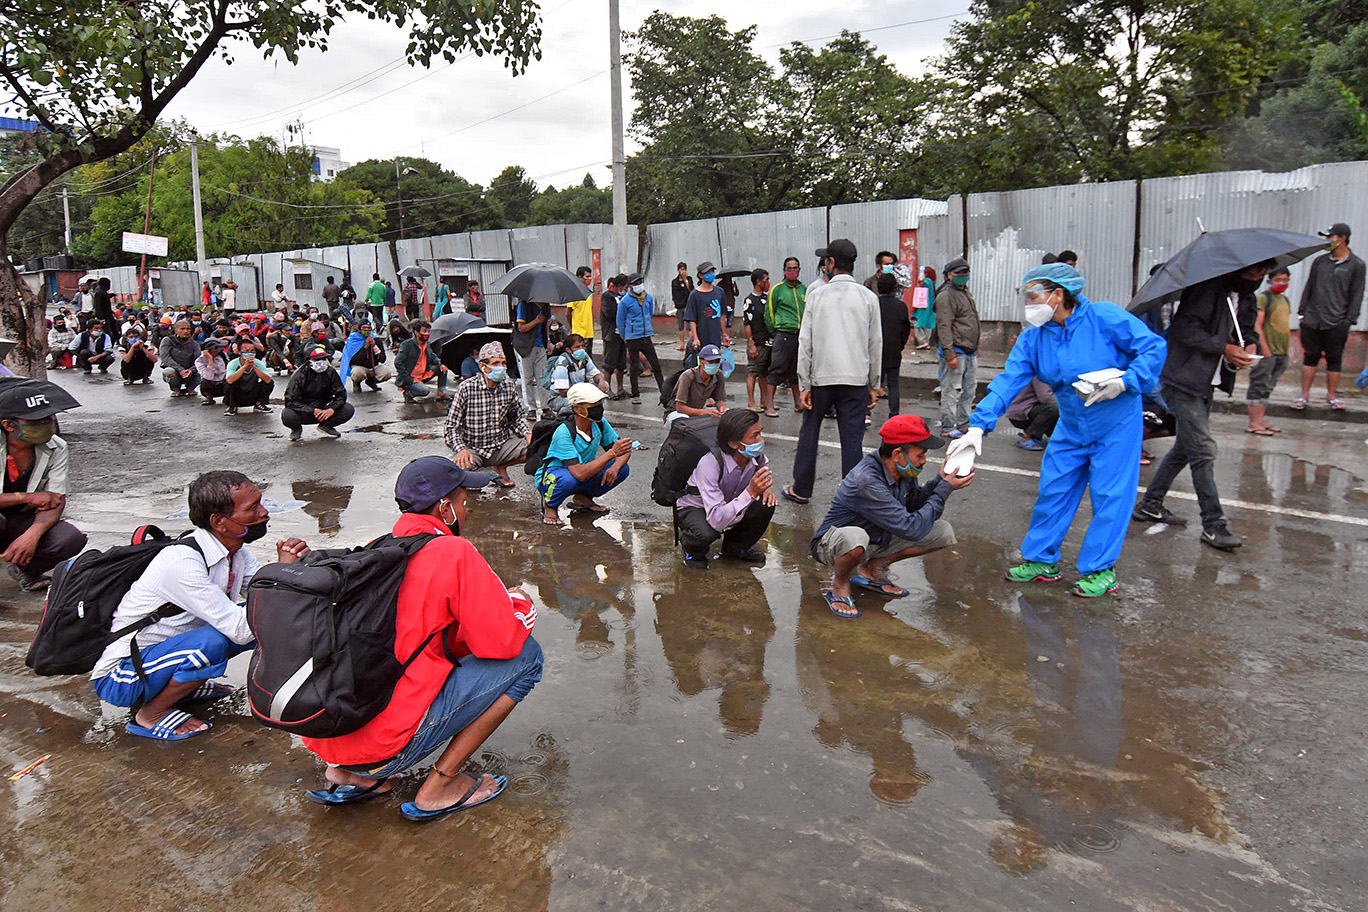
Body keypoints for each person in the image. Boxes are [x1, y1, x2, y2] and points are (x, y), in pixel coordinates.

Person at [299, 456, 541, 820]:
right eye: (463, 502)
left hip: (328, 737)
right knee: (527, 656)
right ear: (445, 508)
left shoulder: (375, 548)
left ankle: (348, 772)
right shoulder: (453, 552)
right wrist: (519, 602)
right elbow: (502, 642)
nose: (467, 509)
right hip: (385, 749)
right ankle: (441, 785)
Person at [947, 263, 1165, 596]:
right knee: (1053, 490)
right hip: (1072, 424)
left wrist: (1125, 381)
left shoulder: (1104, 318)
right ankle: (1041, 561)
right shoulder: (1034, 338)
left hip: (1116, 423)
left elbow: (1153, 348)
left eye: (1034, 296)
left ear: (1058, 294)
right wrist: (977, 426)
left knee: (1109, 497)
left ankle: (1100, 569)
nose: (1028, 304)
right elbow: (1009, 381)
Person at [90, 471, 310, 741]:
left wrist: (288, 572)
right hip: (122, 676)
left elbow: (267, 594)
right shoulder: (182, 562)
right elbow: (243, 628)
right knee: (217, 639)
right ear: (219, 521)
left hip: (163, 656)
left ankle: (186, 686)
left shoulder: (236, 552)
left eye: (260, 503)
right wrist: (283, 573)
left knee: (271, 618)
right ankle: (150, 715)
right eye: (252, 507)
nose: (264, 513)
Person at [1132, 261, 1268, 551]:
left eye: (1261, 275)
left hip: (1208, 382)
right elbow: (1185, 330)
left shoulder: (1246, 296)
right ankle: (1213, 525)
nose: (1256, 279)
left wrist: (1250, 345)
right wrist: (1225, 347)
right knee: (1203, 450)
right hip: (1181, 379)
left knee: (1185, 447)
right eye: (1252, 273)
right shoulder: (1206, 289)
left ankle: (1150, 504)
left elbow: (1247, 329)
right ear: (1236, 270)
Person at [812, 414, 971, 618]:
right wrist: (945, 489)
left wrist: (940, 481)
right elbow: (911, 528)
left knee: (943, 531)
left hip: (876, 538)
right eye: (920, 455)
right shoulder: (866, 481)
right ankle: (840, 584)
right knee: (855, 537)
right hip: (834, 545)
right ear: (898, 454)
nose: (924, 461)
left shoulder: (902, 471)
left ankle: (872, 568)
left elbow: (914, 503)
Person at [783, 239, 882, 505]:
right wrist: (874, 383)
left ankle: (801, 489)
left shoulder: (816, 295)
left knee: (810, 432)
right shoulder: (868, 297)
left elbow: (806, 343)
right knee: (852, 439)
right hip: (855, 379)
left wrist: (804, 384)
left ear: (831, 263)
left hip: (820, 380)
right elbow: (875, 344)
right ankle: (852, 496)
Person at [0, 382, 86, 591]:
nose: (48, 424)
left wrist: (32, 535)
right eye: (37, 421)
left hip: (22, 518)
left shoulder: (57, 446)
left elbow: (56, 499)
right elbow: (39, 498)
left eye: (49, 418)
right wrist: (27, 497)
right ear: (9, 426)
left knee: (69, 539)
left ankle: (25, 571)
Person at [675, 409, 777, 570]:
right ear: (733, 444)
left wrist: (766, 488)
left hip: (728, 500)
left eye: (760, 433)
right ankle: (692, 549)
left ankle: (735, 548)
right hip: (698, 507)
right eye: (754, 436)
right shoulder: (710, 464)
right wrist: (751, 493)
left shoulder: (755, 456)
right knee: (705, 532)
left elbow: (763, 467)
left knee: (766, 504)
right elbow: (716, 519)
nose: (761, 440)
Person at [536, 383, 632, 525]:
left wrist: (615, 467)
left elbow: (623, 450)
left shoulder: (598, 423)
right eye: (593, 404)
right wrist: (612, 453)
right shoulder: (564, 432)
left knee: (623, 468)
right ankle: (550, 506)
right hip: (557, 475)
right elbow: (578, 473)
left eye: (599, 403)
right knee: (568, 480)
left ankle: (583, 497)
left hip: (582, 472)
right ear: (577, 408)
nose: (599, 407)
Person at [1295, 222, 1364, 411]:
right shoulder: (1320, 262)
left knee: (1334, 358)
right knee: (1310, 356)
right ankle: (1303, 395)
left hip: (1337, 321)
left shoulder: (1356, 265)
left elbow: (1356, 294)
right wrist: (1302, 313)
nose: (1327, 241)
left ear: (1341, 238)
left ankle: (1331, 396)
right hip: (1312, 319)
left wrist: (1347, 321)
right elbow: (1309, 287)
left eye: (1330, 237)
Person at [444, 342, 530, 488]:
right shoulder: (466, 388)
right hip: (473, 449)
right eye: (495, 363)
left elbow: (516, 418)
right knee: (455, 476)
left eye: (503, 363)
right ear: (483, 366)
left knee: (539, 447)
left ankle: (501, 467)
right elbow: (451, 427)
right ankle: (475, 475)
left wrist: (527, 434)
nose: (501, 367)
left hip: (501, 447)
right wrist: (461, 449)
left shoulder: (508, 386)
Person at [936, 257, 980, 438]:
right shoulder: (946, 295)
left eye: (965, 273)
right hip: (956, 350)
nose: (963, 276)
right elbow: (944, 326)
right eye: (958, 273)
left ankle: (963, 423)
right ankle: (948, 425)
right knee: (951, 390)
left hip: (969, 350)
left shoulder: (964, 292)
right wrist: (949, 353)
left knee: (969, 390)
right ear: (948, 275)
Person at [1247, 268, 1293, 434]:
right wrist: (1265, 350)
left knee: (1268, 388)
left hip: (1281, 353)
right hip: (1268, 353)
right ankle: (1254, 423)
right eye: (1278, 280)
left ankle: (1261, 421)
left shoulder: (1284, 300)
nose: (1281, 283)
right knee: (1258, 386)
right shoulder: (1263, 298)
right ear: (1269, 280)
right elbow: (1257, 325)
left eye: (1284, 280)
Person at [281, 345, 354, 440]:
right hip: (303, 411)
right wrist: (312, 410)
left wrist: (331, 409)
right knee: (287, 414)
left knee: (348, 409)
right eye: (317, 359)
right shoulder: (299, 374)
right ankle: (296, 429)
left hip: (324, 410)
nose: (321, 362)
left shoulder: (330, 372)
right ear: (309, 360)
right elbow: (289, 401)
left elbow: (341, 395)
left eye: (323, 358)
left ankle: (327, 426)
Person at [765, 256, 806, 415]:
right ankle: (769, 404)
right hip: (783, 334)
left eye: (795, 268)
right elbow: (769, 313)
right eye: (789, 268)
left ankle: (798, 403)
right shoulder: (778, 289)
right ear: (784, 271)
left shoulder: (803, 289)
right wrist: (775, 331)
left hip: (799, 335)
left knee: (796, 371)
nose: (792, 271)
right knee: (776, 369)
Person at [617, 273, 664, 405]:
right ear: (630, 286)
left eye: (640, 283)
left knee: (656, 365)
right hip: (632, 337)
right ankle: (635, 394)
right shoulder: (625, 301)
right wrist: (625, 336)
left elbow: (649, 313)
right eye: (635, 284)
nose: (638, 286)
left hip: (646, 335)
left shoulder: (648, 298)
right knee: (634, 366)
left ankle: (664, 393)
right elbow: (620, 321)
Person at [876, 272, 912, 417]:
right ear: (894, 288)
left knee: (871, 382)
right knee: (893, 384)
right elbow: (905, 329)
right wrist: (900, 345)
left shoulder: (873, 304)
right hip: (893, 350)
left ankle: (866, 412)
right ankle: (894, 413)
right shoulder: (900, 306)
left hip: (876, 350)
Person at [546, 334, 609, 416]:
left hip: (579, 392)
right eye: (577, 347)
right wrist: (584, 395)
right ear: (568, 350)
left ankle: (593, 414)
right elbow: (563, 392)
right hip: (561, 398)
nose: (581, 349)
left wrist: (601, 380)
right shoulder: (562, 363)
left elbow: (595, 374)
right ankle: (564, 418)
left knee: (604, 386)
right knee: (573, 405)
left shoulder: (584, 357)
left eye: (582, 346)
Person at [666, 344, 727, 425]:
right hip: (676, 413)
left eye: (717, 361)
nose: (714, 364)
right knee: (685, 423)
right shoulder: (688, 376)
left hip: (697, 412)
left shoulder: (718, 375)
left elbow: (720, 399)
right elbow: (679, 407)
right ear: (701, 361)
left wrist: (722, 408)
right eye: (711, 362)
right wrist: (703, 412)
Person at [683, 261, 729, 366]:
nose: (711, 274)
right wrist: (695, 338)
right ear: (701, 275)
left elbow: (722, 316)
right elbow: (692, 319)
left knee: (715, 365)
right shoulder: (694, 295)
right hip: (701, 337)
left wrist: (724, 334)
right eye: (707, 272)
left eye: (712, 271)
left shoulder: (719, 292)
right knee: (701, 367)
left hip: (715, 337)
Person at [742, 268, 772, 413]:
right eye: (765, 280)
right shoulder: (749, 300)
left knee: (764, 373)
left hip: (768, 341)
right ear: (758, 282)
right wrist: (751, 343)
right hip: (757, 342)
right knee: (753, 372)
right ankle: (751, 401)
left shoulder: (767, 298)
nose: (767, 283)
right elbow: (747, 323)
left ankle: (765, 401)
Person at [395, 319, 447, 402]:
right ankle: (409, 393)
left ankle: (441, 393)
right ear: (416, 333)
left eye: (428, 331)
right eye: (424, 331)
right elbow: (398, 363)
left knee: (442, 368)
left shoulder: (427, 344)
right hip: (410, 378)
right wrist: (410, 379)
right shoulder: (407, 345)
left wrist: (440, 364)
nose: (427, 334)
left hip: (423, 374)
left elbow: (433, 356)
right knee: (424, 391)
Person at [513, 299, 550, 417]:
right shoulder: (523, 305)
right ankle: (531, 408)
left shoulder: (545, 305)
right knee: (528, 379)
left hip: (540, 345)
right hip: (526, 346)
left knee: (543, 378)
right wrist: (536, 321)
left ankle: (545, 407)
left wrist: (548, 341)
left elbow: (546, 325)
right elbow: (521, 328)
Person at [340, 319, 391, 393]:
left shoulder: (376, 339)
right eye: (364, 328)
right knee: (357, 373)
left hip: (373, 367)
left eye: (368, 328)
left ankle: (371, 382)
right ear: (359, 329)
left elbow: (383, 359)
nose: (366, 330)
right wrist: (365, 347)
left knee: (386, 374)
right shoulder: (353, 340)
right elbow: (353, 360)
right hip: (359, 367)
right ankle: (356, 383)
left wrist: (375, 347)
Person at [1006, 378, 1058, 450]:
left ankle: (1037, 436)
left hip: (1031, 410)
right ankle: (1027, 437)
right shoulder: (1039, 375)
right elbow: (1046, 397)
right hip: (1021, 414)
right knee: (1055, 409)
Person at [598, 274, 627, 399]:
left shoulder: (623, 297)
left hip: (622, 334)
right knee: (609, 363)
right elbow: (610, 313)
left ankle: (620, 388)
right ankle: (607, 388)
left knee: (621, 363)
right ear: (619, 286)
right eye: (625, 287)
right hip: (611, 334)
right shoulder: (607, 297)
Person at [223, 349, 275, 416]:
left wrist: (254, 367)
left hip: (252, 394)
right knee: (227, 384)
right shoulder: (233, 363)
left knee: (270, 383)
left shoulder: (258, 363)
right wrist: (245, 366)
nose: (250, 354)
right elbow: (230, 380)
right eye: (246, 351)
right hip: (238, 395)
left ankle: (259, 404)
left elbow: (268, 380)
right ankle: (232, 407)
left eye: (252, 351)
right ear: (240, 352)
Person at [158, 320, 201, 397]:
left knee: (203, 371)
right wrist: (180, 369)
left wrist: (191, 370)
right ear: (176, 330)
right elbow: (165, 357)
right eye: (182, 329)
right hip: (175, 371)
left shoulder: (194, 343)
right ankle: (176, 389)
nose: (186, 331)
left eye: (188, 329)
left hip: (189, 372)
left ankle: (190, 388)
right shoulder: (168, 340)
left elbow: (199, 360)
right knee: (168, 372)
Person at [564, 266, 596, 356]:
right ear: (579, 277)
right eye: (587, 276)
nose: (589, 279)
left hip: (589, 332)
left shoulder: (588, 292)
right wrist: (573, 327)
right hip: (579, 332)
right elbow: (568, 313)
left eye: (590, 276)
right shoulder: (573, 292)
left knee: (588, 358)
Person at [198, 339, 229, 406]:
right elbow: (208, 376)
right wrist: (210, 360)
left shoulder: (223, 356)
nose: (219, 351)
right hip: (211, 385)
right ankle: (209, 398)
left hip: (223, 383)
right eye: (216, 349)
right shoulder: (199, 361)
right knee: (205, 382)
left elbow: (228, 369)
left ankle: (227, 398)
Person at [671, 262, 693, 352]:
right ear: (678, 270)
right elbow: (674, 294)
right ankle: (682, 344)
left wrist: (685, 280)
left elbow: (691, 290)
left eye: (684, 269)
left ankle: (691, 343)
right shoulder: (674, 282)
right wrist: (674, 305)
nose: (683, 271)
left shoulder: (689, 279)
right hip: (680, 306)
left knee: (689, 327)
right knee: (680, 326)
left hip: (688, 305)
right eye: (681, 269)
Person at [914, 266, 937, 349]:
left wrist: (919, 281)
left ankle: (923, 341)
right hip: (930, 306)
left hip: (923, 305)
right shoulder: (933, 283)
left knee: (918, 324)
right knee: (928, 324)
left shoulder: (927, 281)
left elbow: (923, 284)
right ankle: (926, 341)